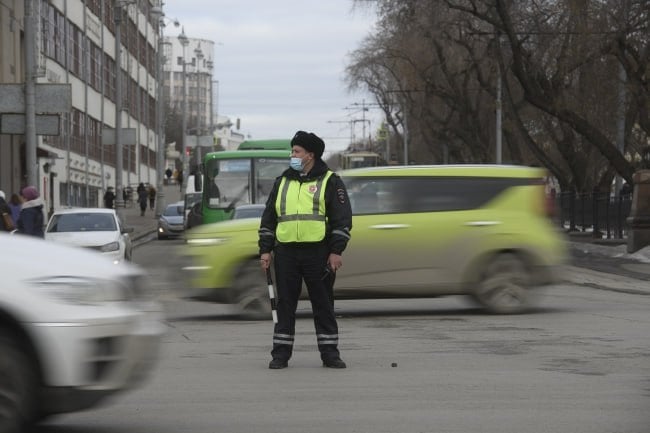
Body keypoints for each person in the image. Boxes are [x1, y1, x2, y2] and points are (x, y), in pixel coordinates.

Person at [258, 130, 352, 370]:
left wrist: (336, 251)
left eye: (296, 151)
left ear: (310, 155)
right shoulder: (282, 182)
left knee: (323, 304)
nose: (293, 155)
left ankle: (330, 354)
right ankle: (280, 354)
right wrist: (265, 250)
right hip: (286, 253)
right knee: (285, 305)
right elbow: (269, 218)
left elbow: (342, 219)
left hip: (318, 253)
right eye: (293, 151)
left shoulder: (331, 181)